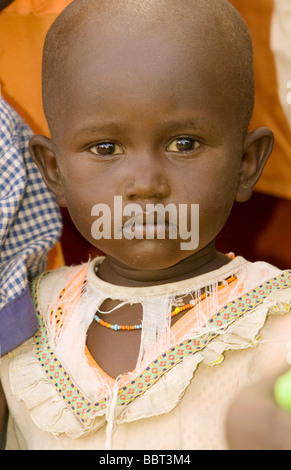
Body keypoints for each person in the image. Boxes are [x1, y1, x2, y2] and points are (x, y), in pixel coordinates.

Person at [1, 0, 291, 450]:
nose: (145, 184)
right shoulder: (26, 322)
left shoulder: (278, 324)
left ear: (246, 163)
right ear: (53, 171)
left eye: (183, 143)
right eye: (105, 148)